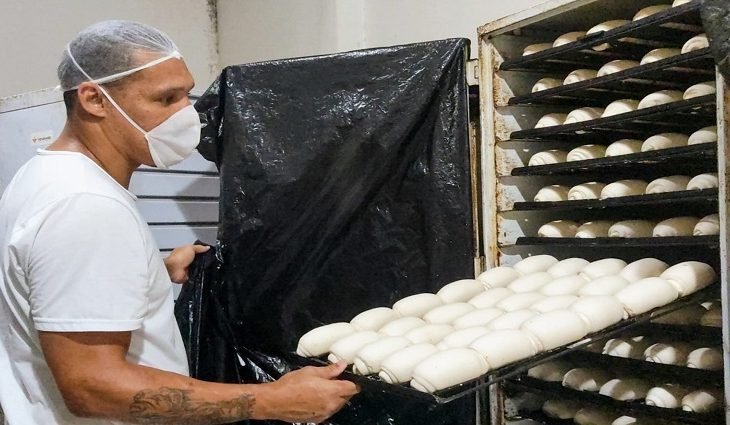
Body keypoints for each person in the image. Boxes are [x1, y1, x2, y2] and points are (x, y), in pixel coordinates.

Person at [0, 20, 358, 424]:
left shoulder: (43, 176)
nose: (187, 115)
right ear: (94, 100)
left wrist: (152, 271)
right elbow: (91, 385)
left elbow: (50, 286)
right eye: (166, 99)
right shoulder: (85, 206)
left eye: (186, 95)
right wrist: (270, 400)